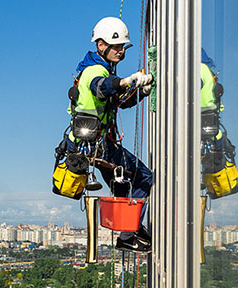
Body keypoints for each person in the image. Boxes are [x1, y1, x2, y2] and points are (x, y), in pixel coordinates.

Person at [66, 17, 153, 252]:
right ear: (101, 45)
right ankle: (127, 234)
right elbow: (101, 86)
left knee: (123, 186)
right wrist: (127, 81)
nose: (121, 51)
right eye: (117, 46)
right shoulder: (96, 71)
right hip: (98, 146)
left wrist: (140, 91)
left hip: (90, 146)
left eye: (123, 47)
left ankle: (129, 229)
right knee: (144, 178)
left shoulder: (95, 68)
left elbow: (117, 102)